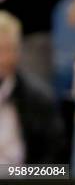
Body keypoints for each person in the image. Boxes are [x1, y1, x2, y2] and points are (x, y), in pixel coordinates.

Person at [0, 11, 65, 166]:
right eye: (1, 49)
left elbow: (55, 167)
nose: (5, 58)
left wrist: (24, 175)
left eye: (11, 49)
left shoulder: (40, 100)